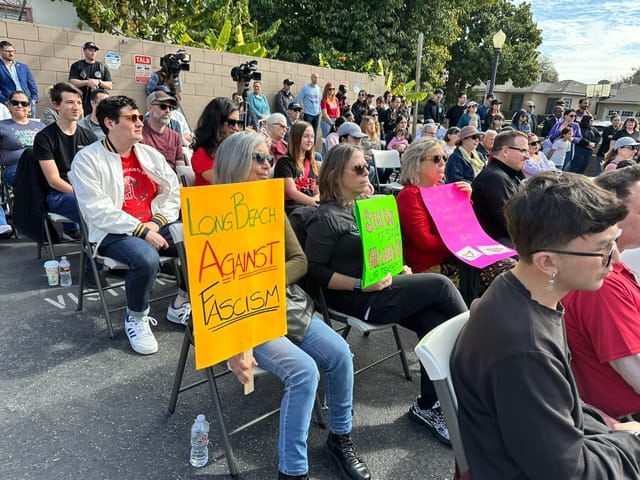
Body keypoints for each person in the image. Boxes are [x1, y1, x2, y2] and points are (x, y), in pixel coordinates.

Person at [452, 170, 640, 479]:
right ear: (548, 262)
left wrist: (615, 430)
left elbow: (564, 407)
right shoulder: (525, 346)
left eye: (614, 242)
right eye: (603, 248)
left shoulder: (523, 291)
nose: (616, 259)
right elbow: (569, 472)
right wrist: (631, 443)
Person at [216, 131, 371, 480]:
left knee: (340, 354)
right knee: (304, 371)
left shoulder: (267, 206)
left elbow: (299, 261)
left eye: (270, 158)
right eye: (259, 158)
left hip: (285, 302)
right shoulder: (209, 214)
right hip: (241, 313)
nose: (267, 165)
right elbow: (207, 290)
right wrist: (233, 342)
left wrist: (264, 279)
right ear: (234, 162)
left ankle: (340, 437)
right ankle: (294, 470)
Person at [304, 143, 468, 445]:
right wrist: (358, 285)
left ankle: (429, 407)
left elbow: (380, 253)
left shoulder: (364, 208)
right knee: (440, 285)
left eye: (367, 165)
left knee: (434, 323)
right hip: (359, 298)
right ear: (336, 175)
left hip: (384, 288)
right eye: (358, 168)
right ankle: (480, 354)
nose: (367, 172)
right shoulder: (324, 218)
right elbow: (314, 272)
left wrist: (398, 265)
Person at [69, 95, 190, 355]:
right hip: (114, 231)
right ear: (109, 123)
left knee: (200, 239)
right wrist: (142, 230)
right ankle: (136, 317)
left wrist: (156, 223)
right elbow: (98, 210)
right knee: (146, 259)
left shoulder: (148, 154)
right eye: (132, 118)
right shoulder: (87, 159)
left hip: (153, 223)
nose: (139, 123)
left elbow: (173, 193)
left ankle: (181, 304)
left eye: (139, 117)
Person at [563, 166, 640, 419]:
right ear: (611, 216)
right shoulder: (601, 283)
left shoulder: (610, 267)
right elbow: (634, 370)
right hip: (627, 421)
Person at [33, 82, 98, 239]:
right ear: (56, 105)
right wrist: (84, 194)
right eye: (69, 102)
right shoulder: (45, 138)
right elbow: (54, 180)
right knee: (92, 209)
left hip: (87, 191)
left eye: (78, 103)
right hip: (59, 194)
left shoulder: (90, 136)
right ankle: (93, 260)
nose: (76, 107)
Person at [396, 137, 471, 273]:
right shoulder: (410, 195)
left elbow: (461, 228)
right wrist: (458, 242)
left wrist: (465, 202)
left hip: (454, 255)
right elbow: (424, 241)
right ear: (417, 163)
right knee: (499, 272)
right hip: (430, 264)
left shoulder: (440, 187)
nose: (443, 163)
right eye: (436, 159)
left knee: (505, 265)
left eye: (444, 158)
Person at [471, 129, 527, 247]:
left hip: (502, 237)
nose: (527, 156)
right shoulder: (495, 177)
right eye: (523, 151)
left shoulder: (507, 174)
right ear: (505, 151)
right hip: (492, 242)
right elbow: (509, 225)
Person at [190, 97, 240, 186]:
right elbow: (223, 183)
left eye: (238, 123)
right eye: (232, 123)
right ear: (217, 122)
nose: (236, 128)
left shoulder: (231, 150)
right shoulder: (201, 154)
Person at [273, 121, 320, 214]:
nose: (310, 140)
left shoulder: (314, 165)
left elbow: (319, 192)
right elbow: (292, 192)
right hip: (291, 211)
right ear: (296, 138)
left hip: (311, 208)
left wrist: (314, 202)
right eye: (306, 136)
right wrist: (313, 203)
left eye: (312, 137)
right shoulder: (284, 162)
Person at [0, 91, 45, 187]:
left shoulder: (41, 126)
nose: (20, 106)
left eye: (24, 103)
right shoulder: (2, 126)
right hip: (15, 167)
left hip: (43, 164)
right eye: (15, 103)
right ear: (9, 105)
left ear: (29, 107)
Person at [141, 90, 184, 170]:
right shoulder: (138, 133)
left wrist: (178, 181)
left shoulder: (175, 136)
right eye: (163, 106)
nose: (168, 110)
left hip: (171, 180)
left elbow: (181, 168)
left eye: (170, 108)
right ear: (150, 108)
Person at [68, 41, 113, 115]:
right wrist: (88, 82)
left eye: (95, 51)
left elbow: (110, 85)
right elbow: (72, 82)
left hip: (99, 103)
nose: (93, 53)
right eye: (90, 50)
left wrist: (99, 82)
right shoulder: (77, 65)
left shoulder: (102, 67)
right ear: (84, 51)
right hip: (81, 103)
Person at [0, 41, 38, 112]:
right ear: (0, 52)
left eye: (12, 51)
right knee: (11, 123)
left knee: (30, 123)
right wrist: (6, 101)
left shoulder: (23, 67)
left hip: (27, 103)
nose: (11, 53)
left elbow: (32, 84)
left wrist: (34, 99)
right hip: (10, 104)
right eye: (7, 51)